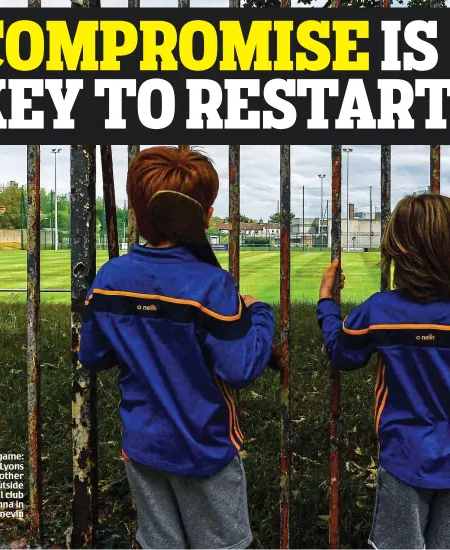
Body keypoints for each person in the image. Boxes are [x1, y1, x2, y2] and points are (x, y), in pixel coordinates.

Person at [78, 146, 275, 549]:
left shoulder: (110, 278)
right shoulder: (211, 285)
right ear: (204, 216)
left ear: (135, 213)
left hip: (143, 447)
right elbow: (239, 367)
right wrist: (260, 314)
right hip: (205, 450)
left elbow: (93, 355)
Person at [317, 194, 450, 549]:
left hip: (404, 458)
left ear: (397, 248)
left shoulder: (381, 310)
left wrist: (326, 302)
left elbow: (342, 353)